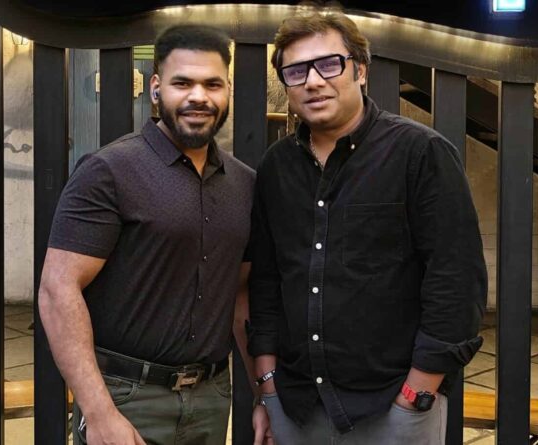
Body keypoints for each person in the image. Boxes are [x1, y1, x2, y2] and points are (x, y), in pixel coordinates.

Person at [248, 9, 487, 445]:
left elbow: (456, 281)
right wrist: (267, 385)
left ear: (360, 70)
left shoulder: (420, 153)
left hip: (392, 406)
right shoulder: (275, 168)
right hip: (297, 406)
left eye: (328, 64)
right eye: (296, 71)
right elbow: (265, 281)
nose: (313, 81)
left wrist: (418, 392)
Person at [38, 24, 257, 445]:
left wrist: (264, 394)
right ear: (156, 88)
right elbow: (58, 289)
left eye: (213, 84)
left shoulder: (244, 184)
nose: (199, 96)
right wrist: (99, 412)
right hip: (127, 398)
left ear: (228, 91)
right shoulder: (110, 171)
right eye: (182, 83)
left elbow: (241, 295)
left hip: (212, 399)